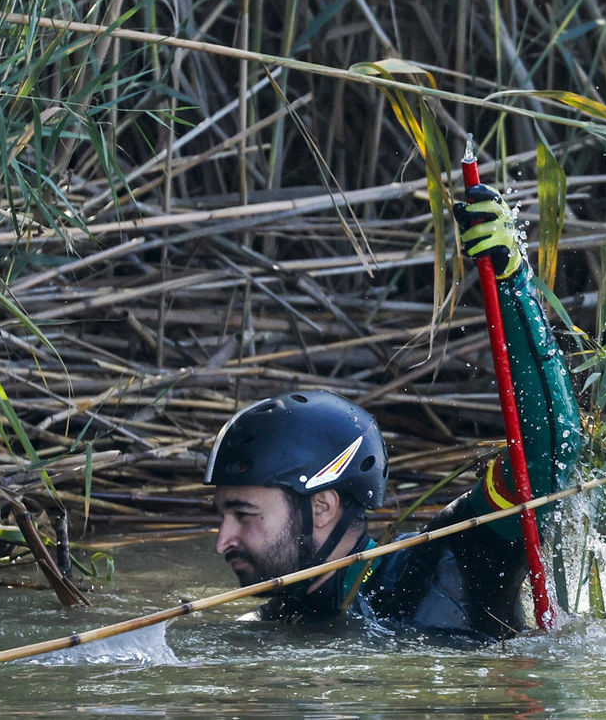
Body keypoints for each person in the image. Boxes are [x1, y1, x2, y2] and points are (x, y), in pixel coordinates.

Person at [203, 185, 583, 639]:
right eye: (224, 516)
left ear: (322, 507)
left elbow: (549, 453)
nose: (223, 540)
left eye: (244, 515)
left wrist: (511, 283)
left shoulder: (449, 556)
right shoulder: (268, 625)